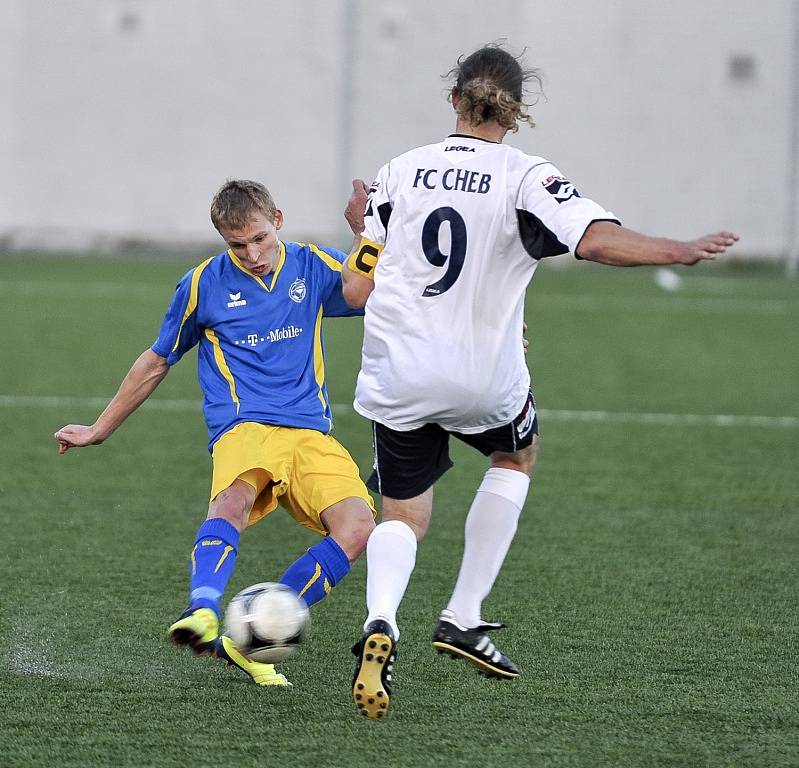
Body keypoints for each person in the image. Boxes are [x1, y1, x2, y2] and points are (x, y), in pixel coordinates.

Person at [342, 44, 739, 719]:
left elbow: (358, 285)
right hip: (481, 375)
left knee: (403, 514)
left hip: (400, 372)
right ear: (516, 111)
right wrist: (676, 250)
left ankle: (382, 620)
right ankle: (462, 614)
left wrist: (361, 224)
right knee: (515, 453)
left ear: (453, 100)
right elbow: (592, 240)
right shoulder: (524, 174)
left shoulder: (397, 171)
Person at [54, 179, 376, 687]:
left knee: (358, 529)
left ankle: (251, 638)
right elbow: (157, 360)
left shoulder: (313, 264)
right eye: (237, 245)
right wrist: (99, 428)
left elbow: (382, 297)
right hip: (244, 425)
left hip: (311, 431)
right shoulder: (202, 284)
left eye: (260, 239)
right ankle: (203, 610)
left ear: (279, 221)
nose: (252, 254)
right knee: (231, 503)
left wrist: (367, 236)